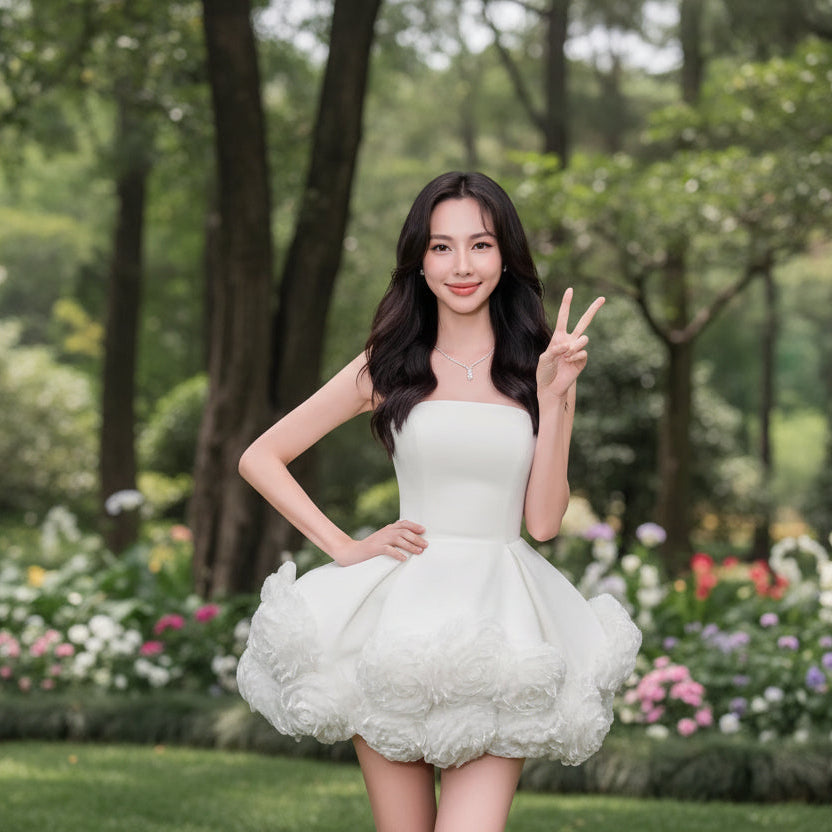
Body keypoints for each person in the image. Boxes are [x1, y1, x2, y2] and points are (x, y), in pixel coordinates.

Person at [236, 171, 641, 832]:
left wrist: (555, 394)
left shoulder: (538, 366)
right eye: (441, 246)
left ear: (504, 256)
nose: (461, 265)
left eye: (479, 245)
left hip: (500, 628)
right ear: (419, 262)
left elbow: (541, 523)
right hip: (394, 625)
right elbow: (260, 457)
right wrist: (345, 546)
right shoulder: (388, 365)